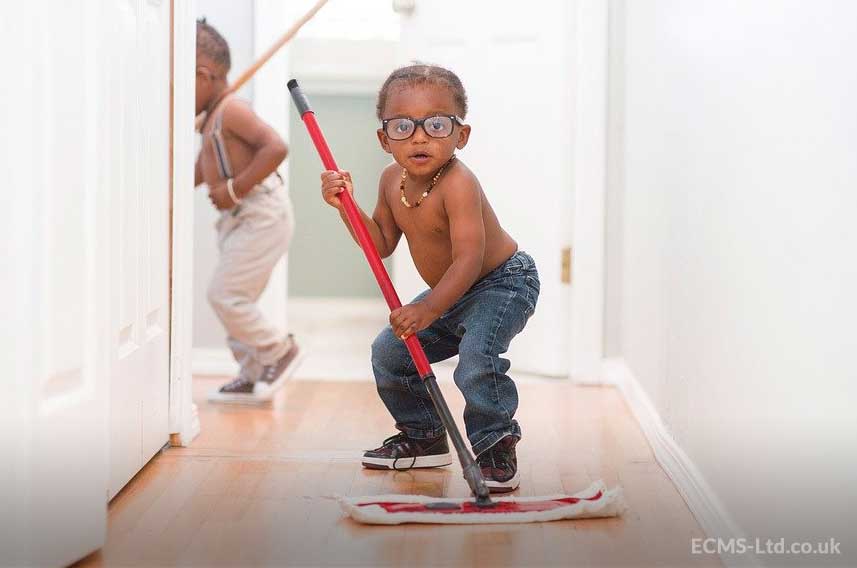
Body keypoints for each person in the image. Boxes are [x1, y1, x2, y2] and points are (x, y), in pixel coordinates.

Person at [319, 64, 540, 492]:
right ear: (384, 139)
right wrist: (345, 206)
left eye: (437, 124)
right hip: (450, 292)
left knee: (477, 358)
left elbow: (470, 260)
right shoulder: (390, 181)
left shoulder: (459, 184)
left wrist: (427, 308)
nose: (419, 137)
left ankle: (494, 444)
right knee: (391, 352)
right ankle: (424, 436)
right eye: (403, 126)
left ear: (461, 135)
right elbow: (380, 242)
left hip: (501, 282)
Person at [195, 20, 299, 403]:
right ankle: (252, 369)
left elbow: (275, 147)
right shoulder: (211, 118)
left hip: (261, 213)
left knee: (225, 294)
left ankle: (277, 350)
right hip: (237, 218)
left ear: (204, 76)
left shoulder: (231, 110)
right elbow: (203, 167)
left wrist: (233, 191)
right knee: (236, 297)